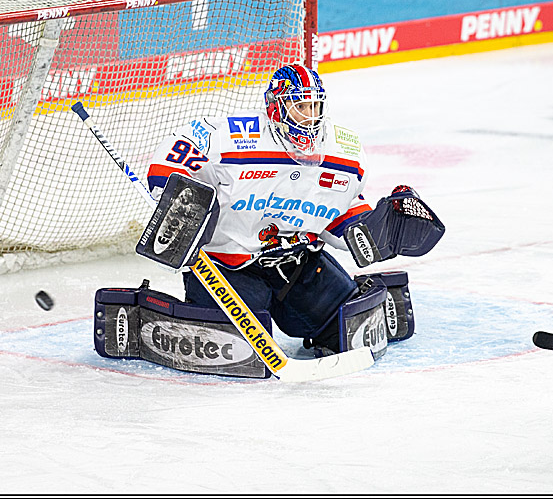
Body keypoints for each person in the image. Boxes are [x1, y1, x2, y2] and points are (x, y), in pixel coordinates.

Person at [144, 63, 442, 356]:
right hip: (226, 266)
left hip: (296, 264)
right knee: (235, 345)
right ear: (276, 107)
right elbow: (171, 160)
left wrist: (381, 229)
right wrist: (178, 199)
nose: (310, 118)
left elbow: (342, 211)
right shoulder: (235, 136)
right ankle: (150, 314)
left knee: (345, 326)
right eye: (300, 106)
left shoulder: (342, 151)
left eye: (316, 107)